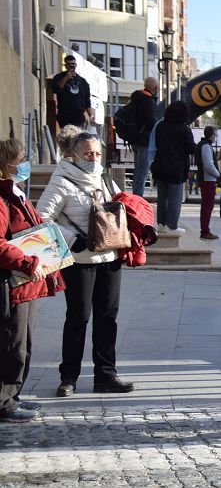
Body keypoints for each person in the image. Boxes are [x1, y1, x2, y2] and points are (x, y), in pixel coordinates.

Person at [37, 131, 134, 397]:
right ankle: (69, 377)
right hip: (79, 261)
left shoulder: (105, 177)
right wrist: (71, 240)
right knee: (78, 318)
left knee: (108, 317)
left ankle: (106, 375)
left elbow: (118, 208)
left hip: (110, 257)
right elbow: (42, 218)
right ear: (74, 154)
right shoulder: (61, 181)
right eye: (88, 153)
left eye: (97, 153)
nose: (94, 158)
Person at [0, 139, 66, 422]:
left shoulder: (16, 193)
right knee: (12, 342)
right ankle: (4, 401)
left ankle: (12, 395)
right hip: (12, 280)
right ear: (7, 162)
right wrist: (28, 262)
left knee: (23, 341)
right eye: (22, 158)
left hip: (25, 282)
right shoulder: (2, 198)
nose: (26, 162)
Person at [149, 101, 195, 234]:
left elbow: (155, 143)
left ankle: (161, 224)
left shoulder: (160, 125)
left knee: (162, 197)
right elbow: (191, 149)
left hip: (160, 165)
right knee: (175, 198)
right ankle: (172, 225)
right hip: (176, 168)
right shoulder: (184, 129)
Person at [129, 77, 159, 197]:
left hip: (135, 139)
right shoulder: (148, 101)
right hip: (144, 140)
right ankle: (137, 200)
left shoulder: (137, 98)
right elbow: (151, 122)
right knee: (142, 172)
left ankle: (135, 197)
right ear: (156, 88)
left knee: (138, 171)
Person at [50, 55, 94, 130]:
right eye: (69, 64)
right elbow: (55, 90)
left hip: (78, 116)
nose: (71, 66)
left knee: (77, 139)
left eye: (73, 64)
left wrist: (91, 116)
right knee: (67, 138)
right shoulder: (59, 77)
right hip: (64, 115)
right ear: (65, 65)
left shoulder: (83, 81)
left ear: (76, 65)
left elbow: (87, 101)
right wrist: (66, 78)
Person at [195, 125, 220, 240]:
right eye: (215, 135)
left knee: (206, 206)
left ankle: (205, 230)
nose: (216, 137)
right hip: (208, 180)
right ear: (212, 135)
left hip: (206, 179)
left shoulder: (204, 145)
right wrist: (219, 175)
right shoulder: (206, 146)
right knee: (207, 207)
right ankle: (205, 231)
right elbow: (209, 165)